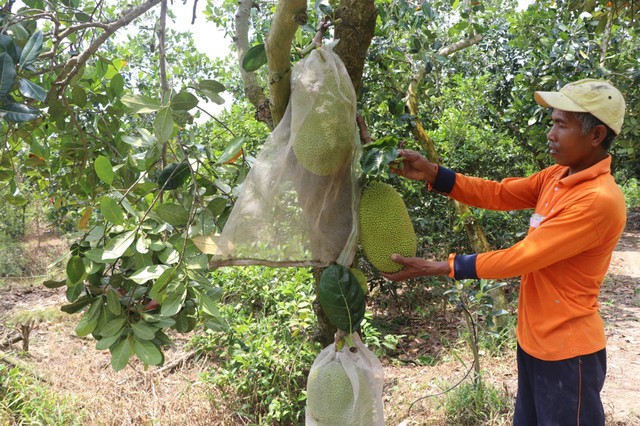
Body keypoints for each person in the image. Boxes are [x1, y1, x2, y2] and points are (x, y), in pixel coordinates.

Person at [382, 78, 627, 426]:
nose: (550, 134)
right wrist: (434, 173)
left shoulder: (598, 200)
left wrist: (442, 266)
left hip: (569, 353)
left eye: (561, 124)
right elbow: (499, 193)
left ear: (596, 135)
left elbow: (523, 257)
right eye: (551, 122)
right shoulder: (558, 176)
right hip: (534, 341)